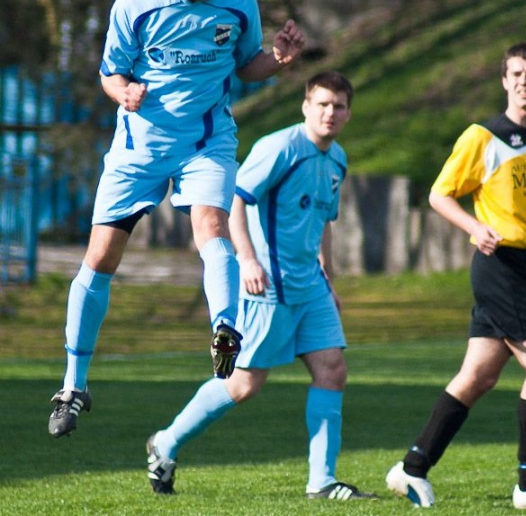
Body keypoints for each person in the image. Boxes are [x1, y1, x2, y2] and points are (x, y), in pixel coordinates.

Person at [48, 0, 306, 438]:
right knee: (100, 258)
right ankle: (73, 385)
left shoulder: (238, 1)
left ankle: (224, 332)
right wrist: (122, 92)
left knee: (212, 228)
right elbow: (109, 71)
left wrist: (278, 59)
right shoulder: (135, 4)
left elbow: (247, 64)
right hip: (140, 145)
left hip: (206, 141)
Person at [145, 71, 374, 501]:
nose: (330, 113)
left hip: (310, 288)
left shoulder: (337, 158)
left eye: (338, 106)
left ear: (348, 113)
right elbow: (236, 199)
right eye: (322, 104)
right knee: (242, 384)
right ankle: (166, 442)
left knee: (333, 371)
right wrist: (246, 259)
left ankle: (322, 482)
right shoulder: (281, 148)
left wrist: (329, 276)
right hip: (264, 284)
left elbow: (324, 220)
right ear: (306, 105)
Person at [385, 42, 526, 511]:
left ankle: (412, 468)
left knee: (477, 376)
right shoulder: (482, 137)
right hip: (499, 267)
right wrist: (476, 228)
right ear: (503, 81)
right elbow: (440, 194)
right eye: (515, 73)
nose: (524, 81)